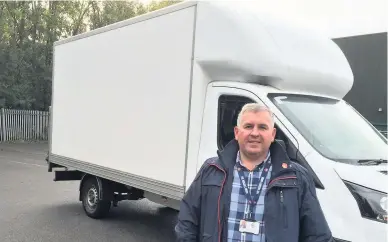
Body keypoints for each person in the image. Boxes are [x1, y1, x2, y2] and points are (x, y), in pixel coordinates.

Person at [175, 103, 334, 242]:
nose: (255, 133)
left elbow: (317, 235)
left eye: (262, 127)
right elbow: (187, 221)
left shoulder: (296, 178)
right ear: (237, 133)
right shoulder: (212, 170)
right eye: (248, 126)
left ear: (272, 135)